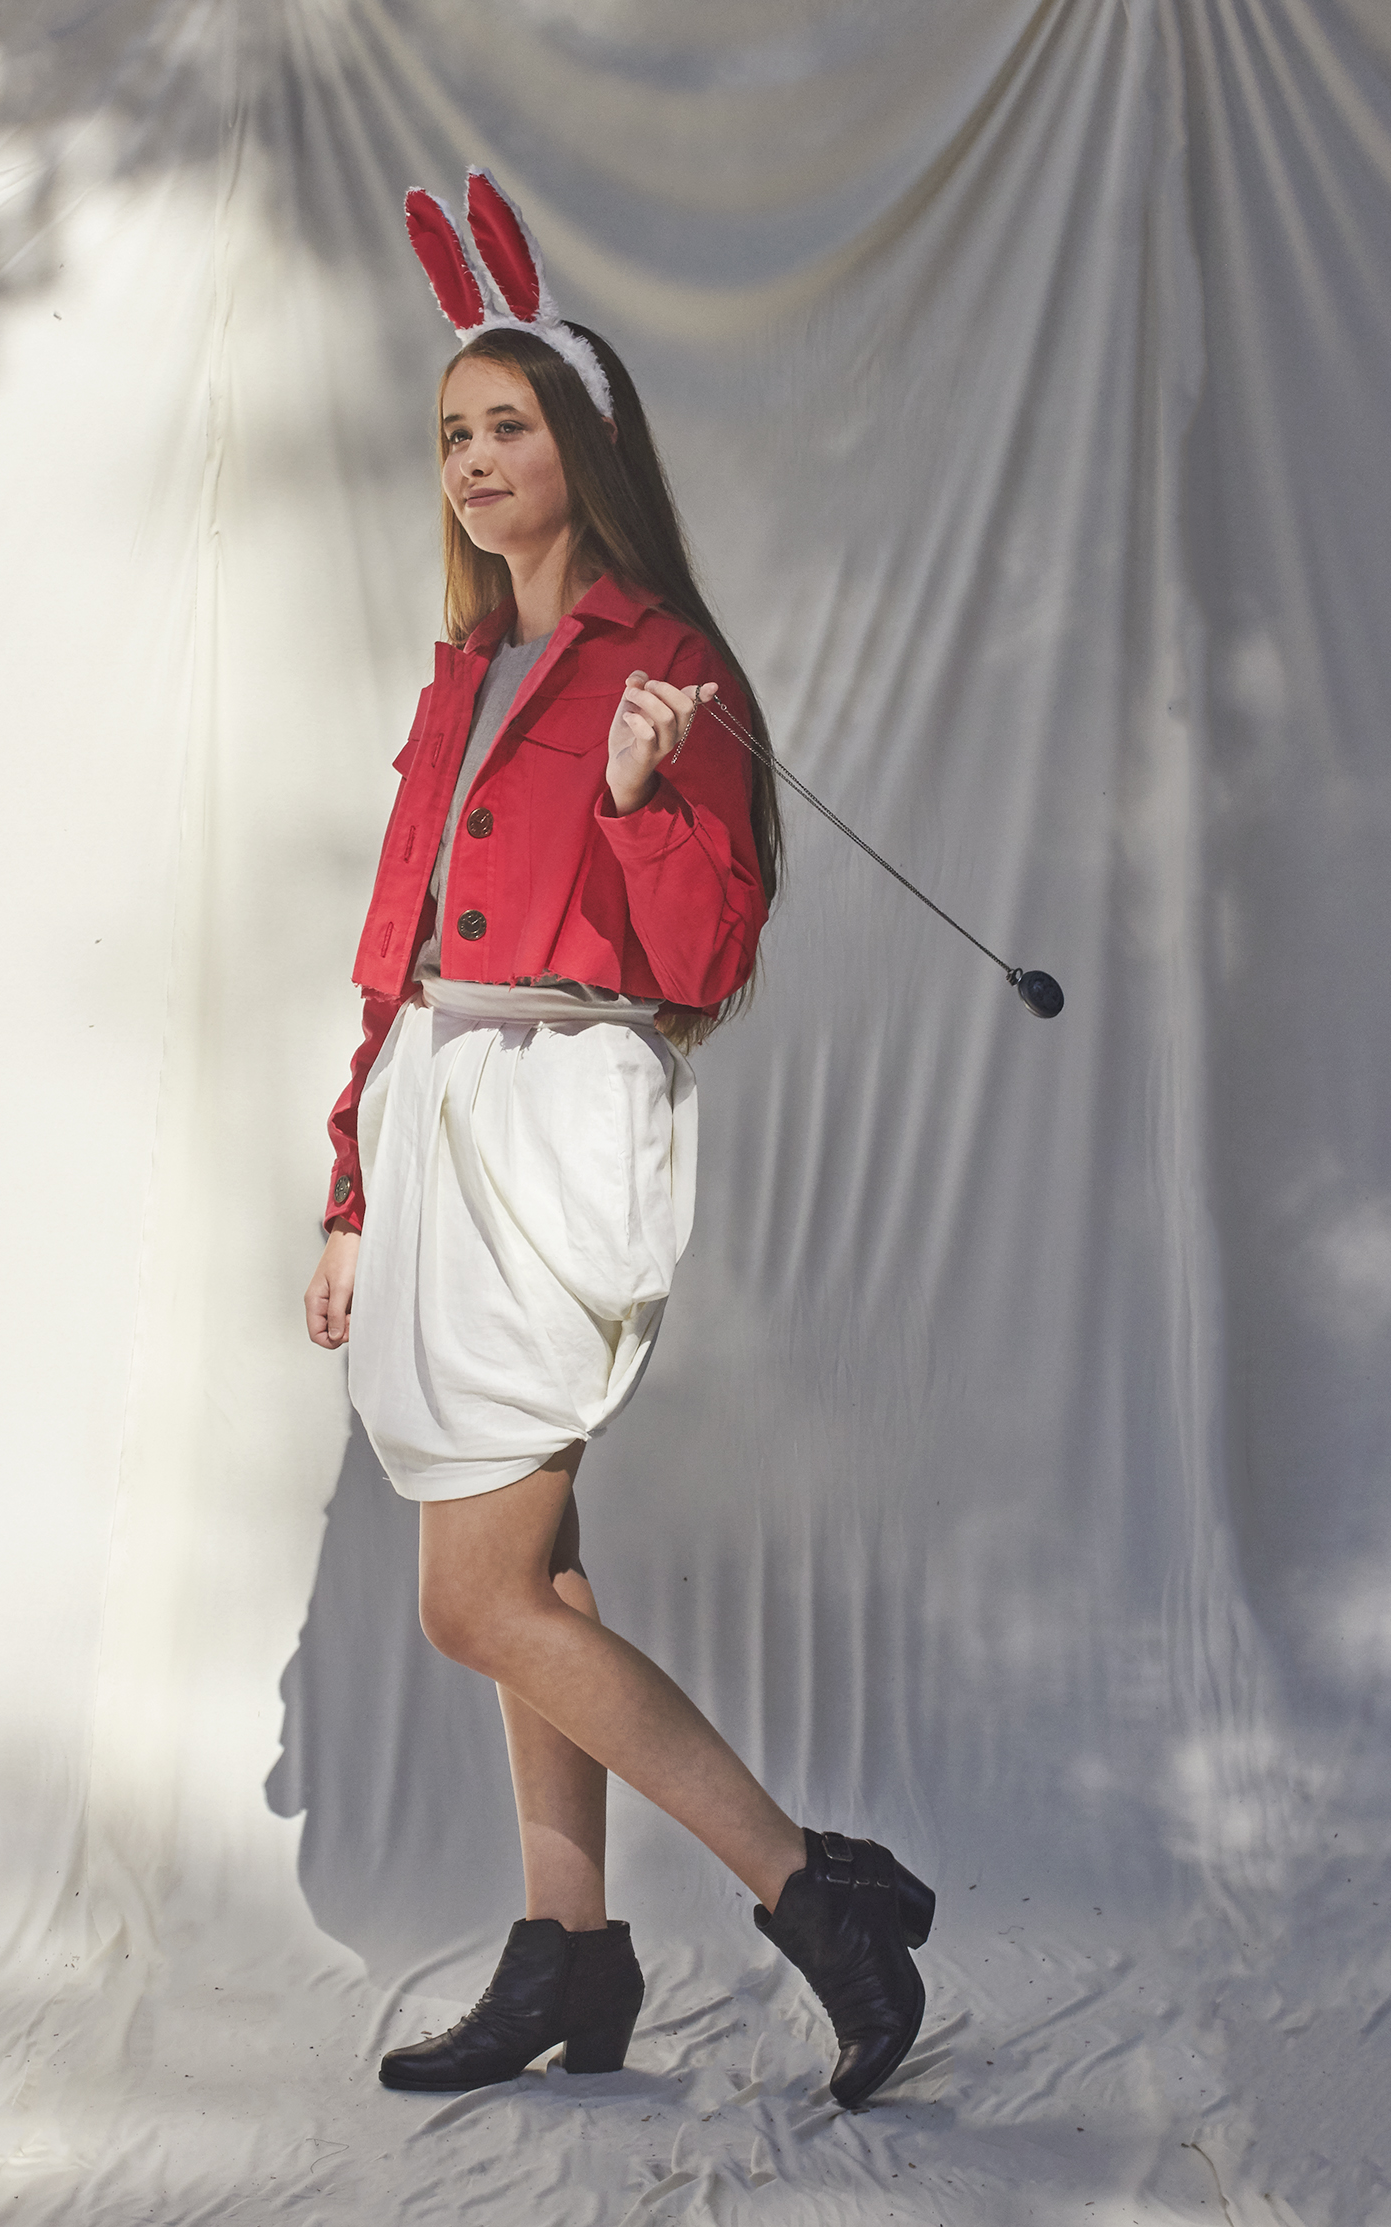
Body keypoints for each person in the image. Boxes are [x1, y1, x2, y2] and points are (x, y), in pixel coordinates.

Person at [302, 171, 932, 2109]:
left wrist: (657, 791)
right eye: (453, 435)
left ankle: (808, 1890)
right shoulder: (464, 673)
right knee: (537, 1577)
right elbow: (395, 956)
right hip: (436, 1125)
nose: (477, 462)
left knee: (470, 1592)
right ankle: (570, 1957)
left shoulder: (668, 664)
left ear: (580, 441)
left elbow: (705, 959)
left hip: (562, 1137)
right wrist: (347, 1181)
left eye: (509, 426)